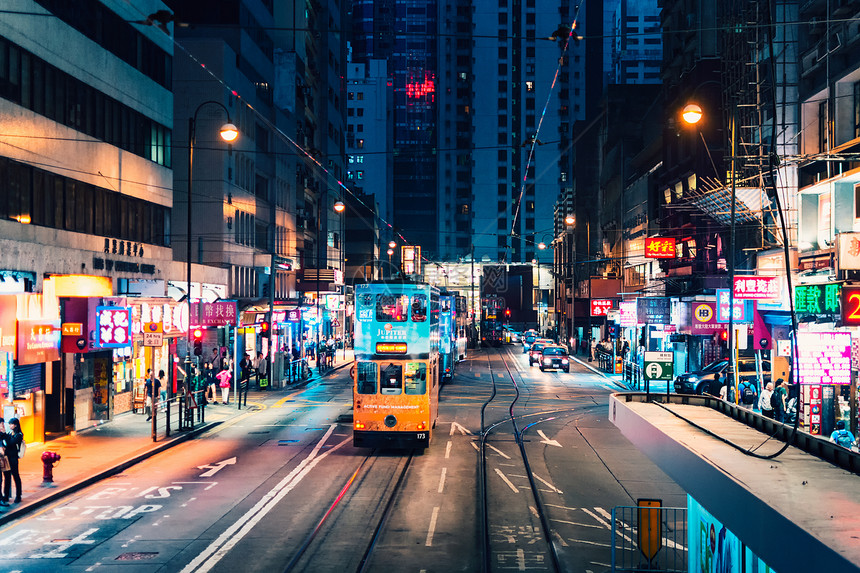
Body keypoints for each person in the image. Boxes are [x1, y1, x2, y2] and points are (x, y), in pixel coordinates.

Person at [4, 418, 23, 503]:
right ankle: (6, 495)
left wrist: (6, 437)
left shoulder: (19, 434)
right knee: (7, 477)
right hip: (7, 458)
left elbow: (11, 442)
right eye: (9, 424)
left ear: (15, 425)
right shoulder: (9, 433)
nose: (10, 425)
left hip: (14, 458)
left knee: (15, 476)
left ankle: (18, 495)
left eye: (11, 424)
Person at [0, 418, 8, 506]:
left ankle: (1, 498)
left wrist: (4, 433)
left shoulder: (2, 434)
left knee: (0, 480)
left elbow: (7, 442)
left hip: (1, 459)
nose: (3, 425)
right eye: (1, 424)